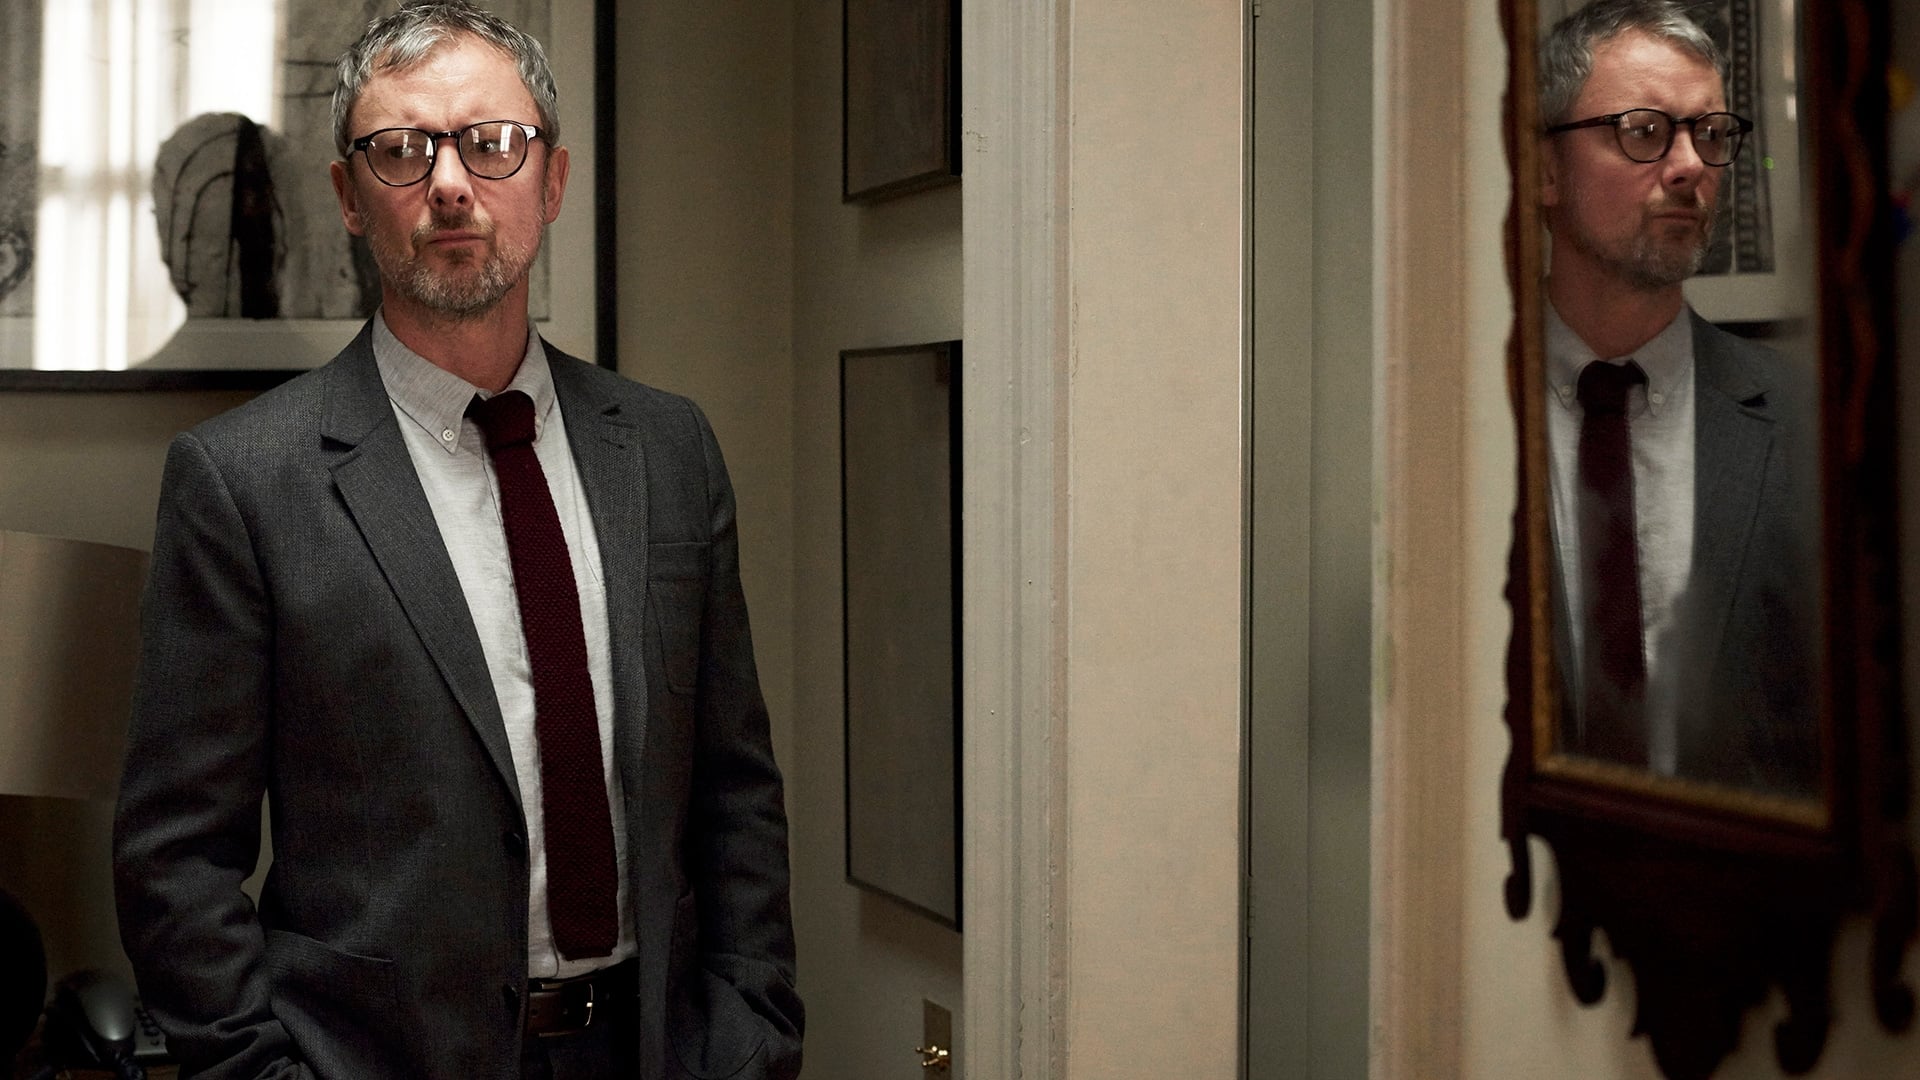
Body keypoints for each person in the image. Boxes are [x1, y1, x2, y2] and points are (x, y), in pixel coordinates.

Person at [112, 4, 803, 1078]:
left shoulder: (669, 451)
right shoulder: (244, 482)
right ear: (349, 196)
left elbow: (735, 790)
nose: (449, 183)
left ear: (552, 180)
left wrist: (752, 1034)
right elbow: (176, 859)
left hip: (654, 1049)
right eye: (401, 150)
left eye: (492, 143)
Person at [1539, 0, 1818, 796]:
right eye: (1644, 131)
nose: (1691, 164)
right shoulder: (1458, 414)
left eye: (1711, 134)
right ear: (1544, 170)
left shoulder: (1805, 421)